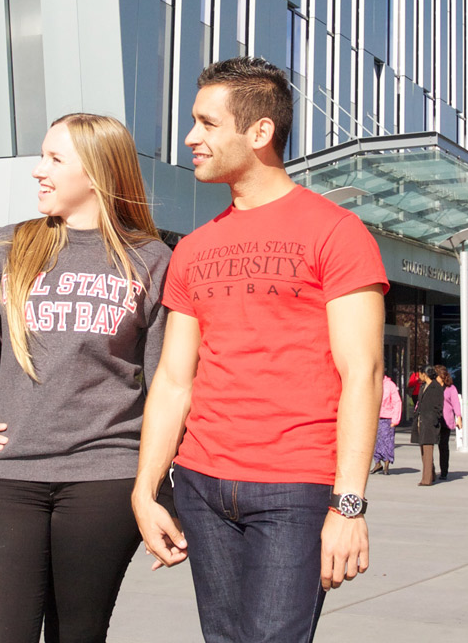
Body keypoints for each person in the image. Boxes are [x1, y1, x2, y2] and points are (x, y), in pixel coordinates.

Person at [132, 57, 388, 643]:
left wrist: (348, 507)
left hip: (294, 488)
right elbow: (174, 379)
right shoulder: (193, 248)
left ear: (260, 133)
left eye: (206, 123)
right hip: (199, 481)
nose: (191, 138)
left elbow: (363, 373)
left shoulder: (336, 232)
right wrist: (146, 488)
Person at [0, 113, 171, 643]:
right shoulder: (10, 246)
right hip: (12, 475)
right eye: (42, 156)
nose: (38, 170)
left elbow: (167, 384)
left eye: (55, 159)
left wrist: (160, 488)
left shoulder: (150, 260)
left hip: (106, 478)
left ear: (99, 172)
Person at [411, 369, 445, 486]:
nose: (418, 376)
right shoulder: (423, 386)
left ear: (425, 374)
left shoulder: (436, 387)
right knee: (423, 449)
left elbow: (439, 406)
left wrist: (434, 418)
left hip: (430, 422)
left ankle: (426, 479)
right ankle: (432, 474)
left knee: (428, 450)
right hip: (421, 420)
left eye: (420, 373)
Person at [436, 366, 462, 481]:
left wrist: (459, 417)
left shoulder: (451, 388)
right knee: (431, 445)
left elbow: (456, 403)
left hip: (446, 420)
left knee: (443, 446)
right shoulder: (433, 387)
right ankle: (430, 470)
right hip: (434, 419)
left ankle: (444, 471)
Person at [373, 374, 401, 475]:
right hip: (375, 417)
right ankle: (377, 462)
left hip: (387, 417)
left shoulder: (390, 385)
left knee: (387, 441)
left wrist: (395, 419)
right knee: (375, 442)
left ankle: (386, 463)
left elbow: (397, 402)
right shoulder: (373, 383)